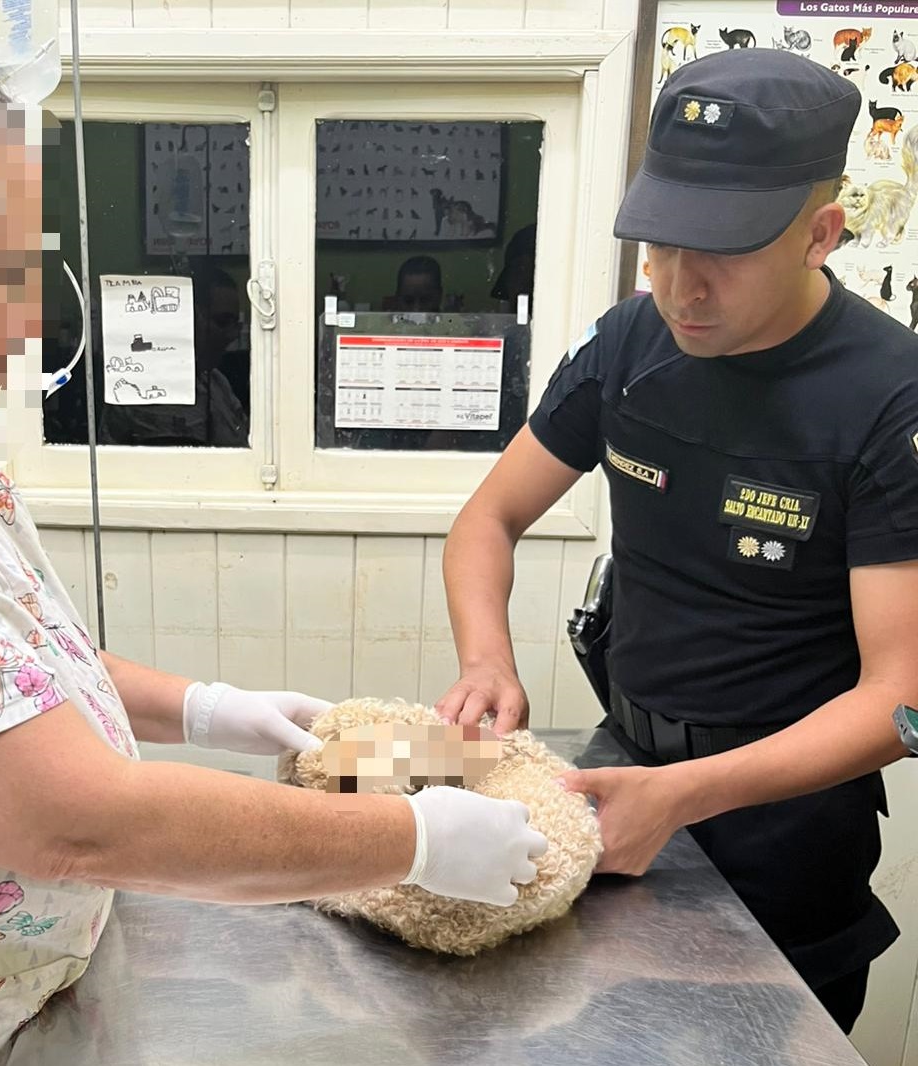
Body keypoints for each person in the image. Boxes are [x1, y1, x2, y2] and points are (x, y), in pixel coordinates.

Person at [0, 21, 548, 1064]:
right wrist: (414, 842)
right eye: (8, 271)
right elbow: (75, 821)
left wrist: (206, 708)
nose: (35, 324)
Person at [436, 48, 918, 1034]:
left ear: (819, 234)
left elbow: (902, 701)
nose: (680, 287)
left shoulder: (887, 399)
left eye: (723, 251)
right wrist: (488, 659)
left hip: (785, 832)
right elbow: (487, 518)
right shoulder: (628, 345)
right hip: (625, 768)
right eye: (658, 245)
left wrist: (687, 794)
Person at [103, 261, 250, 447]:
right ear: (191, 319)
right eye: (222, 322)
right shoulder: (144, 392)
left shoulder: (217, 383)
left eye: (235, 324)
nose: (232, 335)